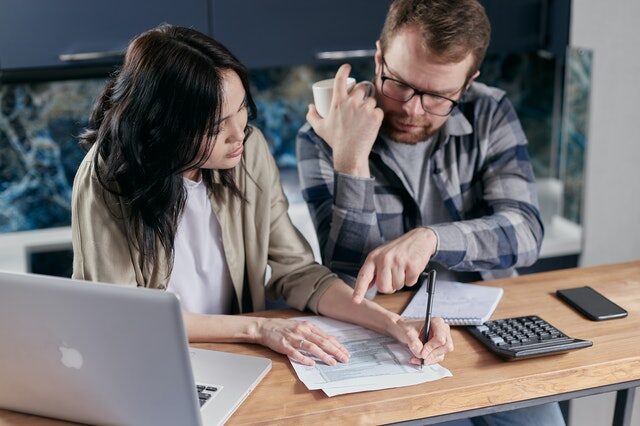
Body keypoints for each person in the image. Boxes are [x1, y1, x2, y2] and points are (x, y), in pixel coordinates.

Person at [71, 24, 453, 369]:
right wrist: (258, 329)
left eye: (241, 112)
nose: (240, 135)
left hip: (236, 358)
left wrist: (392, 323)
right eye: (217, 127)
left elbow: (299, 272)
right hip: (150, 362)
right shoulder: (106, 178)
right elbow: (126, 317)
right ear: (165, 127)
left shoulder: (248, 151)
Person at [297, 0, 563, 424]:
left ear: (468, 83)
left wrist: (432, 238)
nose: (411, 109)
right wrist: (351, 161)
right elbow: (347, 278)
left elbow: (526, 232)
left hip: (488, 331)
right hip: (390, 339)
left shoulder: (490, 111)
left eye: (438, 96)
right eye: (399, 83)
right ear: (379, 56)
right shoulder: (325, 133)